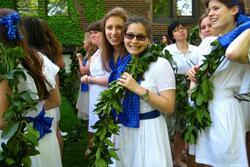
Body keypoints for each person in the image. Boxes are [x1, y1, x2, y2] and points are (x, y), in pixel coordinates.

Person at [188, 0, 249, 166]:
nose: (210, 14)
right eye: (209, 10)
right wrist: (193, 77)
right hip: (205, 110)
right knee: (206, 162)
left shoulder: (245, 40)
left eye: (216, 8)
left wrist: (248, 27)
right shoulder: (208, 43)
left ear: (234, 9)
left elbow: (232, 53)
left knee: (227, 161)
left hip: (225, 110)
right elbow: (196, 82)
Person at [0, 9, 61, 166]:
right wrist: (32, 113)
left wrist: (23, 117)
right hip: (43, 138)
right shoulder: (39, 58)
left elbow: (3, 121)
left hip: (18, 142)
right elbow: (55, 100)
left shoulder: (5, 70)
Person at [113, 15, 176, 167]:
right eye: (130, 35)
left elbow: (169, 107)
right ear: (124, 37)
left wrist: (138, 89)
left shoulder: (161, 65)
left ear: (148, 39)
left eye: (140, 37)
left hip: (149, 130)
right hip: (123, 128)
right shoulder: (123, 64)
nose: (134, 41)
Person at [22, 16, 65, 156]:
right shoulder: (46, 52)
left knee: (50, 137)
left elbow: (55, 96)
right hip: (48, 105)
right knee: (54, 134)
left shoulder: (37, 58)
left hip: (42, 107)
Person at [163, 20, 198, 167]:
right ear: (172, 34)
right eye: (177, 30)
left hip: (195, 90)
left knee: (193, 125)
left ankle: (193, 158)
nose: (181, 31)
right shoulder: (167, 51)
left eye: (183, 28)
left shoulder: (197, 50)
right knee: (178, 127)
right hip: (176, 92)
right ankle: (177, 158)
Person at [80, 20, 110, 157]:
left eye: (95, 33)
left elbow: (112, 79)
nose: (92, 36)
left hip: (104, 95)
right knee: (95, 122)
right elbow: (88, 71)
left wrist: (90, 79)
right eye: (91, 33)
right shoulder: (97, 52)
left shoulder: (107, 53)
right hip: (94, 94)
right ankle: (96, 148)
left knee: (105, 124)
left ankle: (105, 153)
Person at [76, 32, 97, 120]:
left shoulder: (91, 55)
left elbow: (84, 71)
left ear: (89, 43)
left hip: (89, 86)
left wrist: (80, 59)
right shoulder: (88, 54)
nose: (83, 41)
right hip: (86, 84)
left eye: (85, 39)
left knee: (89, 110)